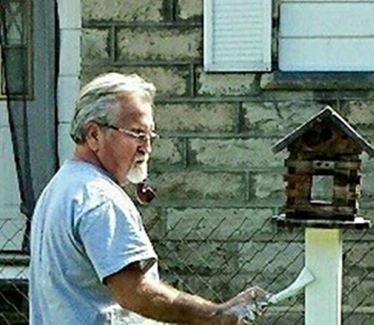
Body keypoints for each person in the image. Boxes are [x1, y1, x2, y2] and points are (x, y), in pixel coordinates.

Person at [29, 72, 266, 324]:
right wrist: (216, 315)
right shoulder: (100, 198)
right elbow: (135, 293)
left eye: (150, 135)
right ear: (94, 135)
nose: (147, 147)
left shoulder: (63, 186)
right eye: (136, 134)